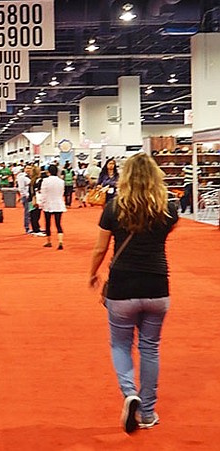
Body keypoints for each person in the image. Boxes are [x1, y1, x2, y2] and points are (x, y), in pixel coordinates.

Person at [89, 152, 178, 433]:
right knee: (150, 348)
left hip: (122, 286)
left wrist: (92, 273)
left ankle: (130, 393)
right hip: (157, 285)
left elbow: (101, 248)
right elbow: (163, 235)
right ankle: (148, 412)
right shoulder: (168, 209)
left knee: (120, 345)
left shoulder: (113, 208)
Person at [39, 164, 66, 249]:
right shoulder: (61, 181)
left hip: (48, 204)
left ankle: (49, 241)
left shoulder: (45, 181)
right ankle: (60, 242)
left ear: (48, 172)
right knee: (58, 224)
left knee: (48, 223)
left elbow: (43, 193)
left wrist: (41, 203)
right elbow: (62, 192)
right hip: (59, 204)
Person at [16, 164, 32, 233]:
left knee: (32, 213)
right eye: (27, 168)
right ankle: (27, 227)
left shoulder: (31, 177)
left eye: (30, 168)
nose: (28, 170)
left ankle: (33, 226)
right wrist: (25, 195)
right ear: (24, 169)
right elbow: (21, 188)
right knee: (27, 213)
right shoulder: (22, 177)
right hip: (26, 197)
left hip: (32, 196)